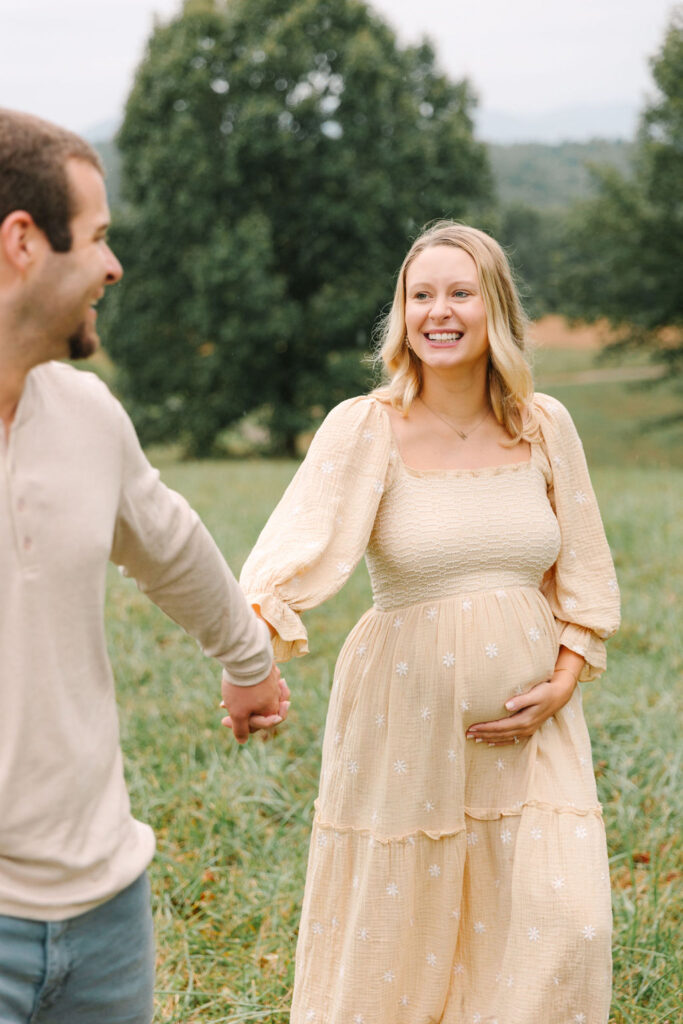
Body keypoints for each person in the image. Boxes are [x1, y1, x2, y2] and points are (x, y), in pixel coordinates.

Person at [229, 222, 621, 1022]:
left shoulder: (543, 424)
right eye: (420, 295)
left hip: (537, 732)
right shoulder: (365, 425)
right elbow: (285, 559)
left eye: (458, 293)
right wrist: (249, 665)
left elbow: (584, 571)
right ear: (401, 314)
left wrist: (562, 681)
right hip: (403, 728)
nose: (437, 312)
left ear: (494, 310)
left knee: (565, 920)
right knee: (401, 935)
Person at [0, 108, 288, 1024]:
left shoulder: (88, 416)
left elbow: (171, 546)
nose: (114, 267)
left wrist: (250, 663)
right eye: (96, 238)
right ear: (22, 244)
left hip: (107, 910)